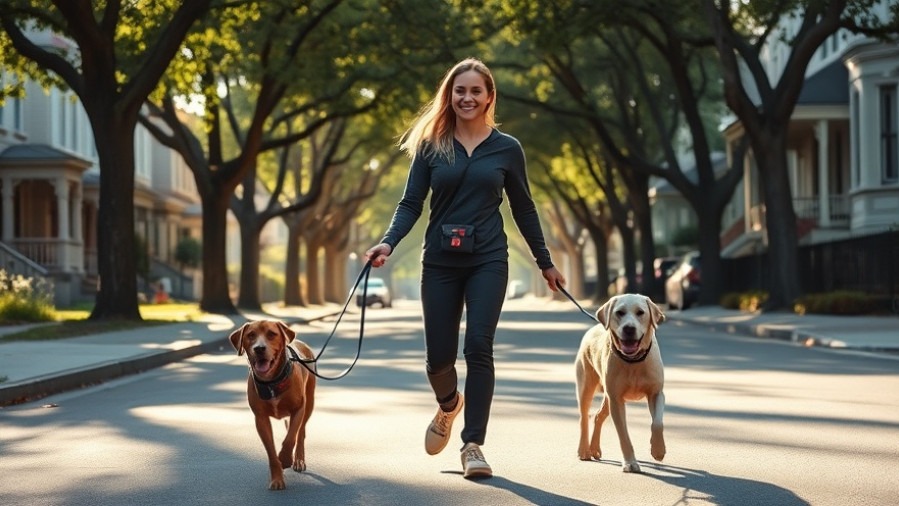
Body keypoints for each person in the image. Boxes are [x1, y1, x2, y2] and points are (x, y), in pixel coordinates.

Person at [364, 57, 565, 479]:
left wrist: (545, 263)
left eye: (476, 90)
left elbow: (524, 208)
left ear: (489, 97)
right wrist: (387, 242)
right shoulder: (431, 147)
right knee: (438, 358)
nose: (467, 97)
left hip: (488, 259)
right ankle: (448, 405)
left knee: (479, 347)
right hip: (439, 261)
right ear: (449, 96)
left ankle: (473, 445)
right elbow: (410, 204)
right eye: (460, 90)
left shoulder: (507, 148)